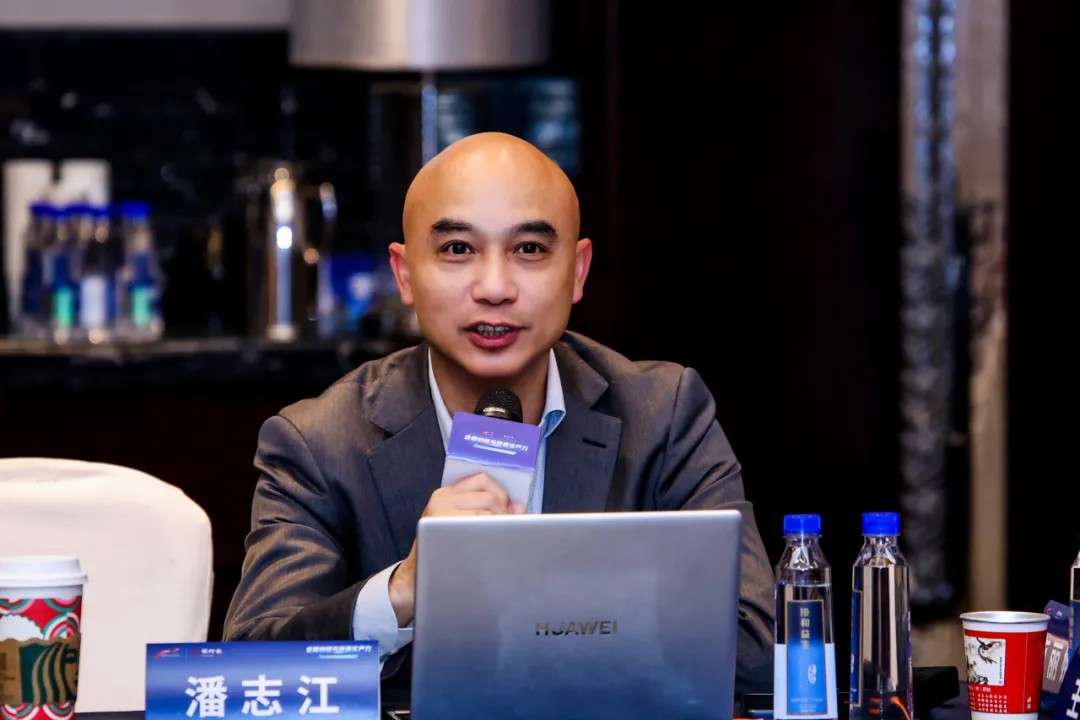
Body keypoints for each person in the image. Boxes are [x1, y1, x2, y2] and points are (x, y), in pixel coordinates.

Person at [223, 131, 775, 700]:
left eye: (529, 249)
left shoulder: (664, 415)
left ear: (578, 271)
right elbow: (248, 675)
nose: (494, 288)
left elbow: (755, 652)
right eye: (457, 249)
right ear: (405, 274)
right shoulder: (318, 442)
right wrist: (404, 590)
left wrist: (554, 609)